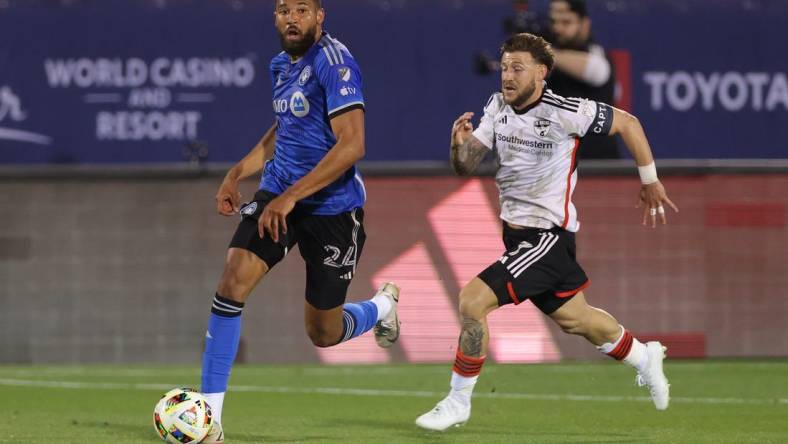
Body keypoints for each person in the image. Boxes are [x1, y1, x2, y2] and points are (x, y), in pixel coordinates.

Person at [415, 33, 678, 431]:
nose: (507, 75)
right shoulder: (496, 106)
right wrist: (459, 146)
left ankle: (457, 402)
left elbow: (628, 123)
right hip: (517, 237)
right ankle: (644, 356)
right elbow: (466, 165)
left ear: (541, 72)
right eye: (504, 66)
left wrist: (650, 180)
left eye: (517, 67)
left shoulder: (565, 111)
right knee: (578, 321)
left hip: (547, 237)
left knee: (472, 302)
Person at [199, 1, 400, 442]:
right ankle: (208, 417)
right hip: (279, 195)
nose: (293, 18)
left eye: (302, 9)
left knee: (323, 333)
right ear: (274, 18)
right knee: (233, 280)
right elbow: (284, 127)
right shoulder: (280, 65)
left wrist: (290, 198)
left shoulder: (335, 61)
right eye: (284, 9)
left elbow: (353, 145)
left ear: (320, 16)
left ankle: (383, 307)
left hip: (332, 209)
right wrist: (236, 174)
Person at [548, 0, 619, 159]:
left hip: (598, 163)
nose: (558, 28)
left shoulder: (594, 52)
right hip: (559, 163)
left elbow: (599, 71)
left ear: (584, 24)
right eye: (554, 22)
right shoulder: (549, 55)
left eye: (566, 22)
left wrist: (543, 52)